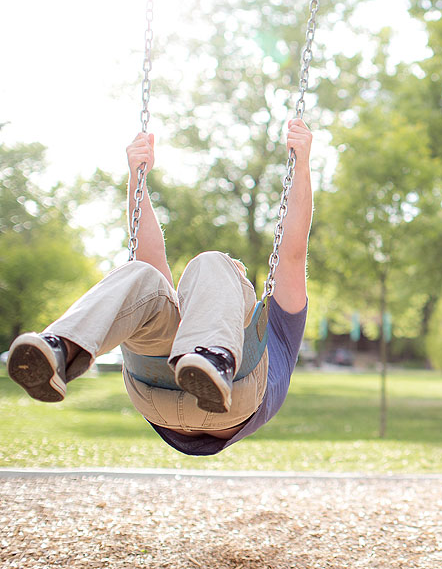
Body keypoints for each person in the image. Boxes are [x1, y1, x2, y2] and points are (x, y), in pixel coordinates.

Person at [6, 119, 313, 455]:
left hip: (220, 396)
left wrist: (302, 164)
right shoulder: (179, 313)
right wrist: (137, 176)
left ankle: (213, 361)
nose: (227, 280)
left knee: (210, 262)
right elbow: (147, 261)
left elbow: (291, 254)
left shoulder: (273, 321)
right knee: (141, 273)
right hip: (170, 385)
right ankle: (61, 349)